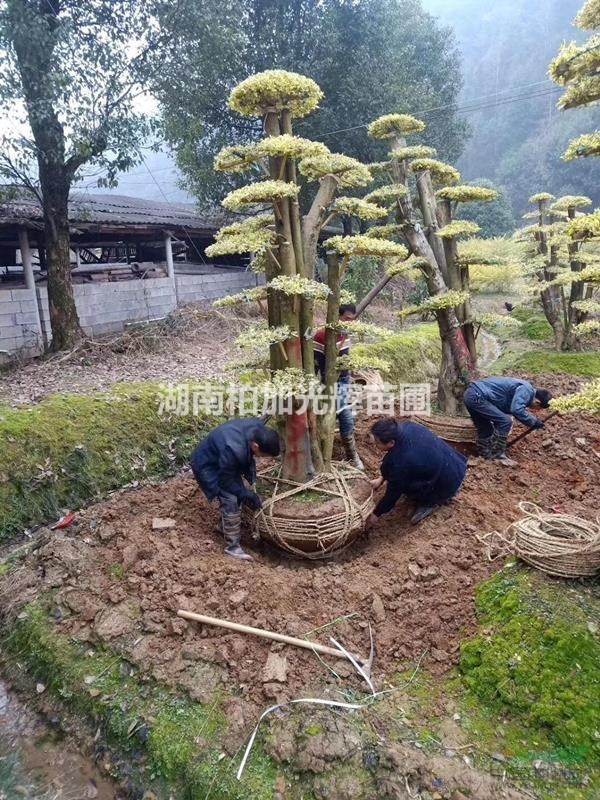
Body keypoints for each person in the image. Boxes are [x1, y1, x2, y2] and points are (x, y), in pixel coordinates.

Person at [190, 418, 280, 561]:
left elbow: (244, 459)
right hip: (207, 465)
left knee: (238, 491)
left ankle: (224, 526)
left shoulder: (257, 428)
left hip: (223, 458)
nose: (261, 458)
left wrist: (249, 476)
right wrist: (246, 494)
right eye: (263, 455)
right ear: (256, 446)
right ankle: (233, 548)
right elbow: (226, 482)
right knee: (230, 498)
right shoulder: (234, 449)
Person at [366, 418, 468, 529]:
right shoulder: (408, 426)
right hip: (456, 464)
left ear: (391, 443)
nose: (375, 444)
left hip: (446, 484)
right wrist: (381, 479)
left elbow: (392, 495)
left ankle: (429, 503)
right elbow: (391, 462)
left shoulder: (400, 463)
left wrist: (376, 514)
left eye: (377, 442)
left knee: (405, 484)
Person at [314, 303, 364, 469]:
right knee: (344, 413)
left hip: (343, 380)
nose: (349, 323)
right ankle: (352, 454)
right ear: (337, 316)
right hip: (327, 383)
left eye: (352, 320)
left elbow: (345, 358)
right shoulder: (321, 336)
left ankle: (348, 452)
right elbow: (315, 363)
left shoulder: (345, 334)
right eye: (346, 319)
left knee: (341, 412)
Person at [463, 377, 552, 465]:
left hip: (471, 394)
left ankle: (485, 455)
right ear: (537, 402)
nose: (536, 410)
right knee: (505, 421)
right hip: (478, 396)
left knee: (486, 427)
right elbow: (516, 410)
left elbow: (507, 407)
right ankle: (498, 456)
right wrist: (533, 422)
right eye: (538, 408)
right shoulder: (527, 390)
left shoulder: (524, 389)